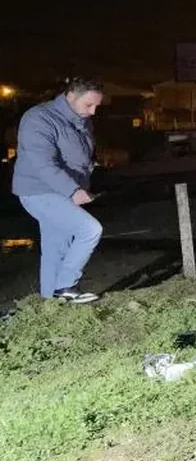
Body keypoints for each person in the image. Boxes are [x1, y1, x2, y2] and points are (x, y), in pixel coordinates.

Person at [11, 77, 105, 303]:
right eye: (89, 105)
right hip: (38, 191)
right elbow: (42, 163)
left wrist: (86, 177)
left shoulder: (80, 120)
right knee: (90, 230)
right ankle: (66, 286)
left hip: (62, 192)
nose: (93, 112)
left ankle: (50, 304)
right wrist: (73, 190)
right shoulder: (38, 119)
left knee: (56, 249)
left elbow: (77, 157)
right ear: (71, 96)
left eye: (96, 106)